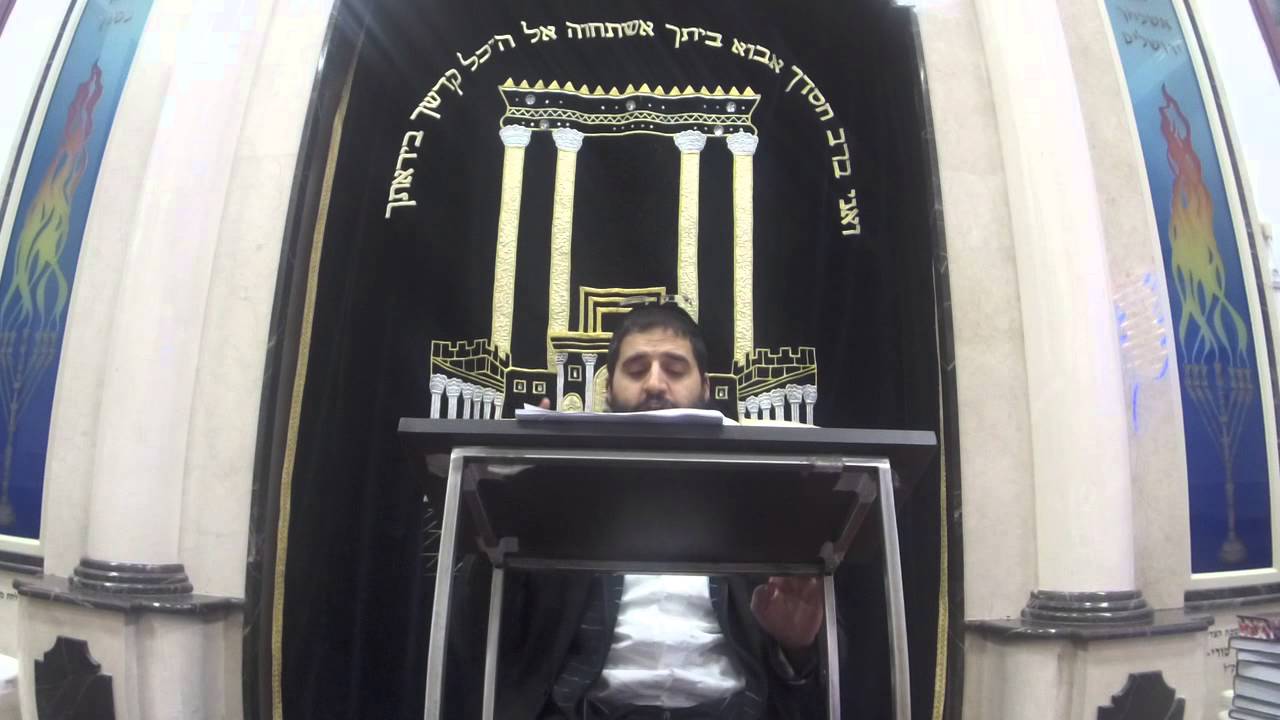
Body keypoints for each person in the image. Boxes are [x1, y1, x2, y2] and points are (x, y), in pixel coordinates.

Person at [447, 303, 830, 719]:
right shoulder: (561, 496)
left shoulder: (757, 501)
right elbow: (476, 637)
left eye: (675, 369)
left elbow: (824, 658)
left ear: (706, 388)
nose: (654, 385)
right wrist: (513, 497)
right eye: (635, 369)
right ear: (608, 390)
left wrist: (796, 646)